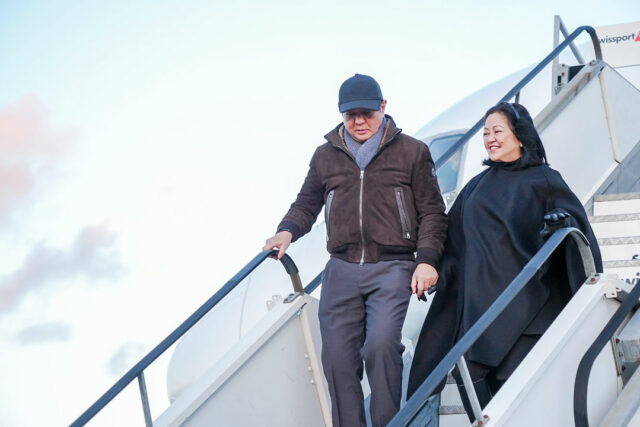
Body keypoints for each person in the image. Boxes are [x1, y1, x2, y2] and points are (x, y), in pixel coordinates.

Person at [263, 74, 447, 427]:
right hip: (342, 269)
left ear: (383, 107)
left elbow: (432, 213)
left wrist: (426, 261)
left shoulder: (412, 152)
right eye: (351, 115)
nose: (359, 122)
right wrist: (286, 231)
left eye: (366, 113)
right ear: (341, 114)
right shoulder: (325, 156)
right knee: (336, 359)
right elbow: (306, 203)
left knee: (381, 346)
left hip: (393, 266)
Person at [407, 102, 603, 422]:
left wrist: (560, 225)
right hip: (480, 314)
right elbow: (453, 241)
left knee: (521, 402)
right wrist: (434, 269)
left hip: (529, 310)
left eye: (498, 131)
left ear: (520, 136)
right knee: (473, 386)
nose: (490, 139)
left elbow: (577, 230)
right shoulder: (475, 187)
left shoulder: (546, 179)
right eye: (486, 133)